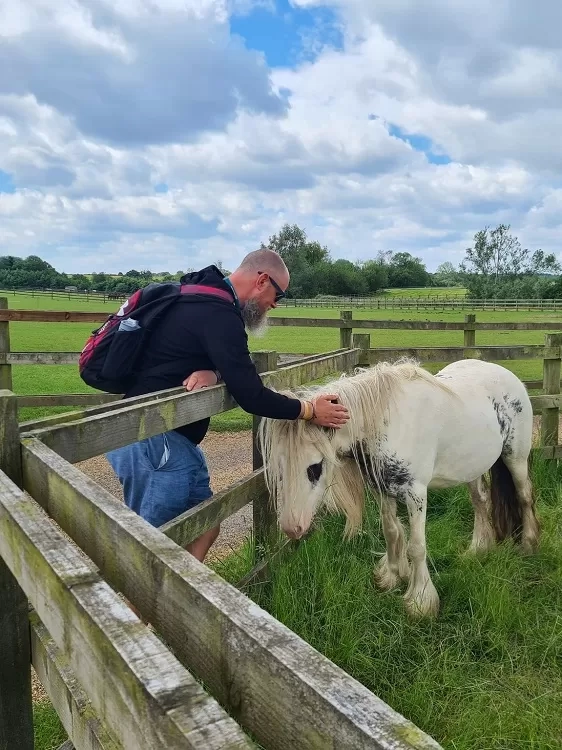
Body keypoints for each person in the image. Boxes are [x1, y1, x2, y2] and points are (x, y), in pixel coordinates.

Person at [105, 248, 349, 563]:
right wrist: (309, 410)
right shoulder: (219, 314)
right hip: (155, 442)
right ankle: (142, 609)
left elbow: (229, 367)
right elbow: (251, 394)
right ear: (262, 280)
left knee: (206, 527)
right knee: (152, 548)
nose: (274, 305)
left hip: (173, 442)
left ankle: (178, 598)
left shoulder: (204, 300)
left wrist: (216, 372)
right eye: (279, 295)